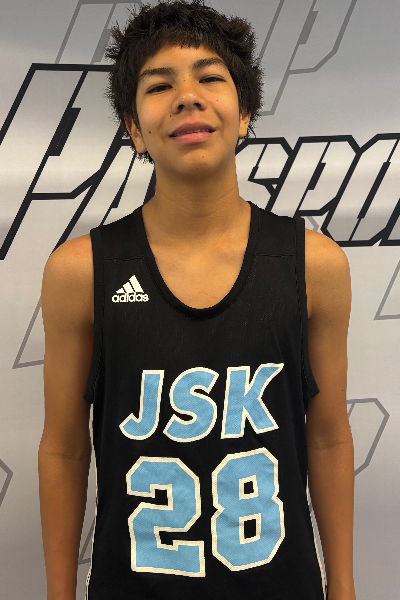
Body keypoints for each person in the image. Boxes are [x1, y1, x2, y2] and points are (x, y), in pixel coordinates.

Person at [38, 1, 356, 599]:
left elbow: (329, 437)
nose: (188, 97)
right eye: (160, 86)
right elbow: (63, 447)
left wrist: (343, 585)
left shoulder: (314, 264)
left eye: (210, 77)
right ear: (134, 128)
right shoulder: (81, 271)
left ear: (245, 113)